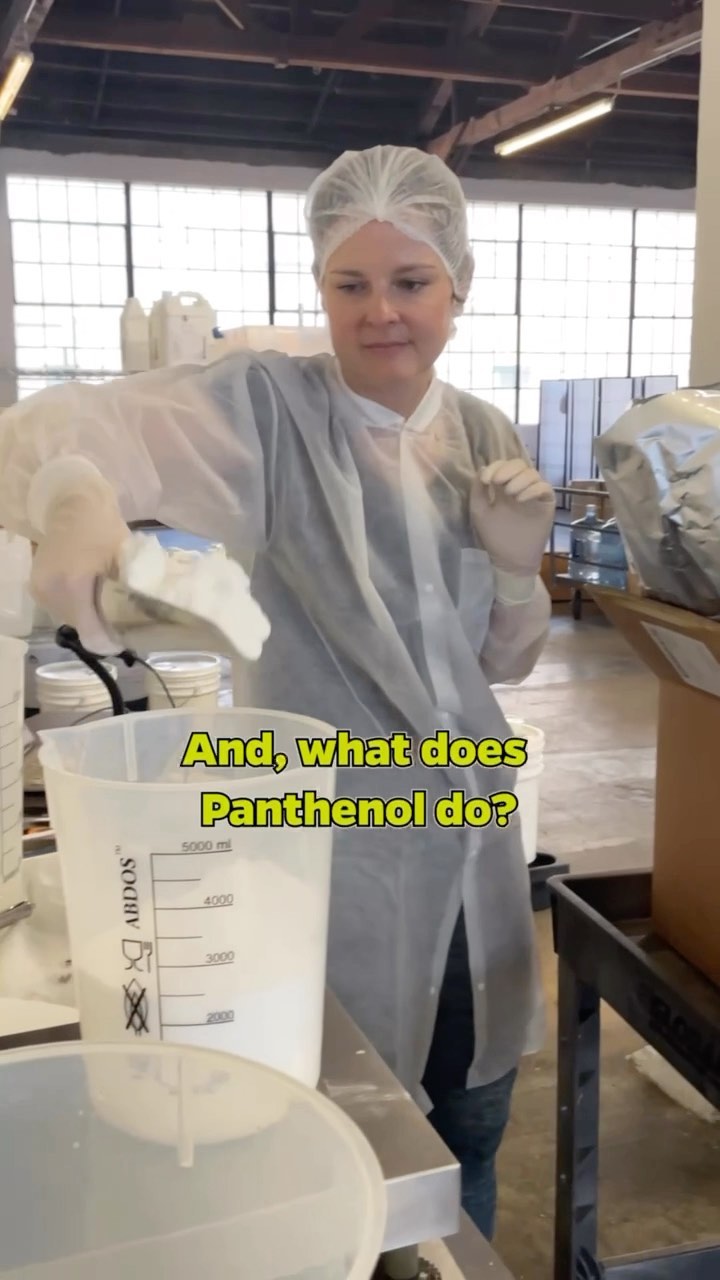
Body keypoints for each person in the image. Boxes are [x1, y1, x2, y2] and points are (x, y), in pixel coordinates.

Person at [0, 145, 555, 1239]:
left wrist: (513, 568)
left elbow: (500, 667)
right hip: (328, 849)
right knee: (349, 1140)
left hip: (473, 842)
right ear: (320, 288)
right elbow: (70, 427)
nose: (381, 311)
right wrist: (73, 496)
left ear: (459, 286)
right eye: (352, 283)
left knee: (471, 1129)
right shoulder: (267, 410)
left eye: (411, 282)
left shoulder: (484, 436)